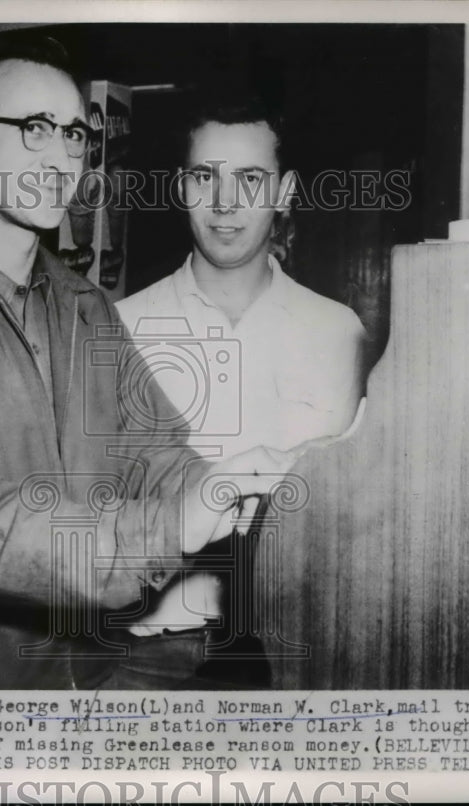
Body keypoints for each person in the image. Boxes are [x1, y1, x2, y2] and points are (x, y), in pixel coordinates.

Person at [0, 34, 299, 689]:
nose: (61, 161)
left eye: (75, 135)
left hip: (87, 671)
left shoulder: (85, 306)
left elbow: (151, 447)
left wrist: (214, 489)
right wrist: (169, 524)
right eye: (33, 130)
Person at [111, 87, 367, 688]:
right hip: (156, 655)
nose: (225, 203)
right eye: (205, 176)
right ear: (180, 187)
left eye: (251, 179)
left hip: (303, 647)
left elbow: (357, 509)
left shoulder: (341, 332)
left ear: (286, 191)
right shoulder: (121, 329)